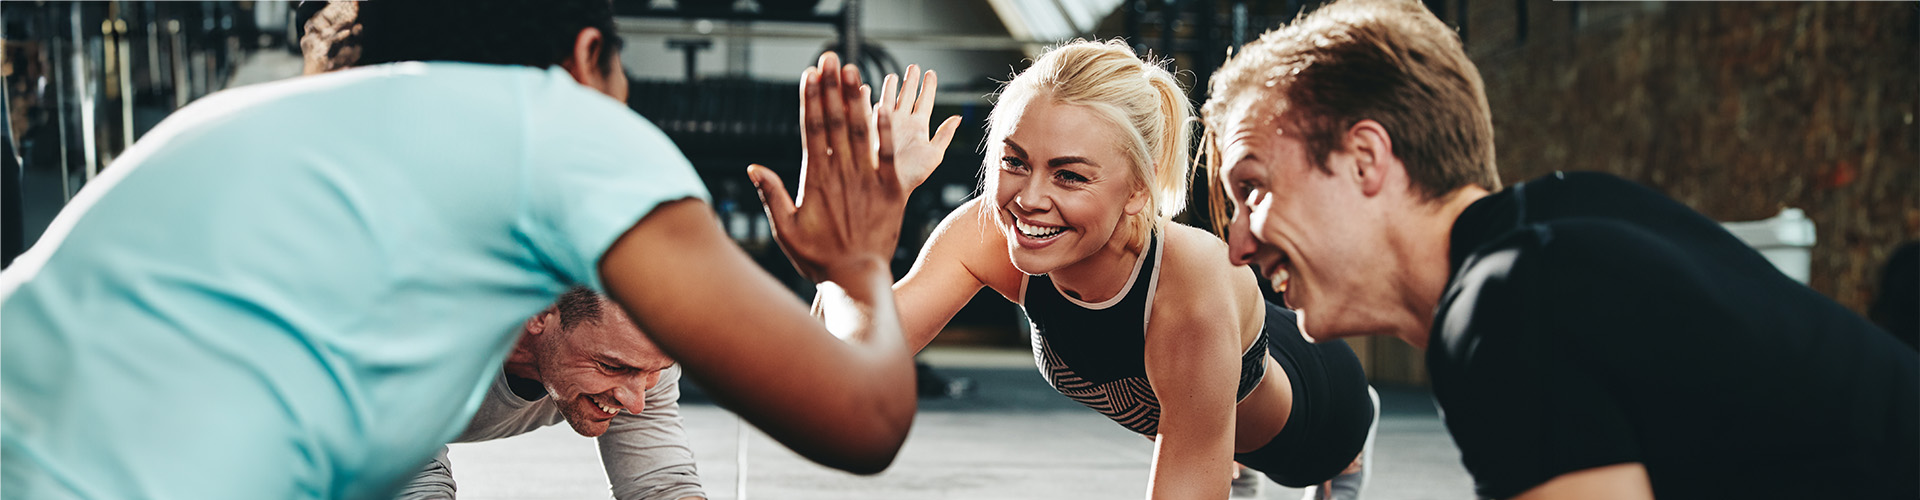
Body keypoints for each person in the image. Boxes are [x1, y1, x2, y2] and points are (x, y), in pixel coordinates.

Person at [0, 1, 920, 498]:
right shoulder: (561, 119)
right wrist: (859, 264)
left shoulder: (299, 132)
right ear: (588, 54)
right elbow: (861, 421)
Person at [1201, 0, 1920, 498]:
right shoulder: (1568, 222)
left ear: (1365, 159)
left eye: (1253, 188)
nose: (1236, 243)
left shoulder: (1511, 305)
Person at [754, 39, 1378, 499]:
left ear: (1137, 191)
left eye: (1071, 175)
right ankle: (1221, 449)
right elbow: (836, 374)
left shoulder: (1186, 275)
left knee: (1275, 459)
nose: (1028, 198)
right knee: (1202, 429)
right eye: (1015, 161)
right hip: (1202, 409)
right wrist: (856, 243)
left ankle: (1322, 461)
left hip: (1314, 416)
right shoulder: (988, 234)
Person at [395, 287, 704, 500]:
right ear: (540, 314)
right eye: (611, 367)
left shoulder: (639, 354)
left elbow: (660, 484)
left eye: (652, 372)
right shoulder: (423, 332)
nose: (636, 402)